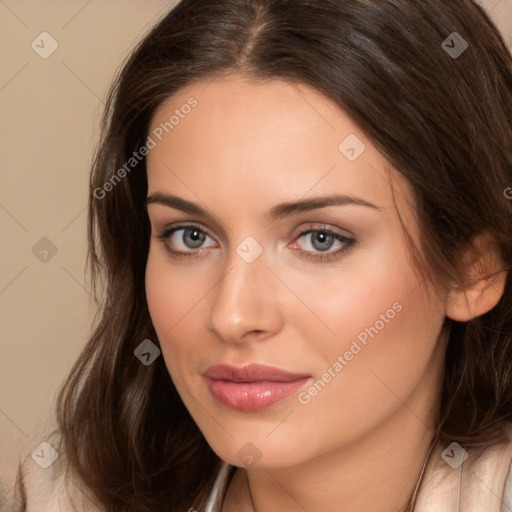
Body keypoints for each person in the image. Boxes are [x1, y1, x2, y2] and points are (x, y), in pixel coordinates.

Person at [7, 0, 512, 510]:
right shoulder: (59, 498)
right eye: (190, 236)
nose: (231, 316)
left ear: (473, 270)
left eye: (320, 239)